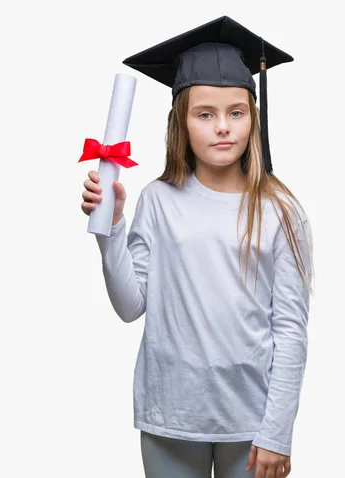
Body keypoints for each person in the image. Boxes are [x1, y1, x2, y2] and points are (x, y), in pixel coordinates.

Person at [80, 16, 314, 478]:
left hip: (251, 419)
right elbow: (131, 306)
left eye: (236, 112)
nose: (223, 127)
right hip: (171, 411)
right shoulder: (158, 200)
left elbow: (290, 330)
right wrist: (110, 227)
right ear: (181, 123)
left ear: (253, 117)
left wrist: (278, 432)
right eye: (205, 113)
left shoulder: (280, 211)